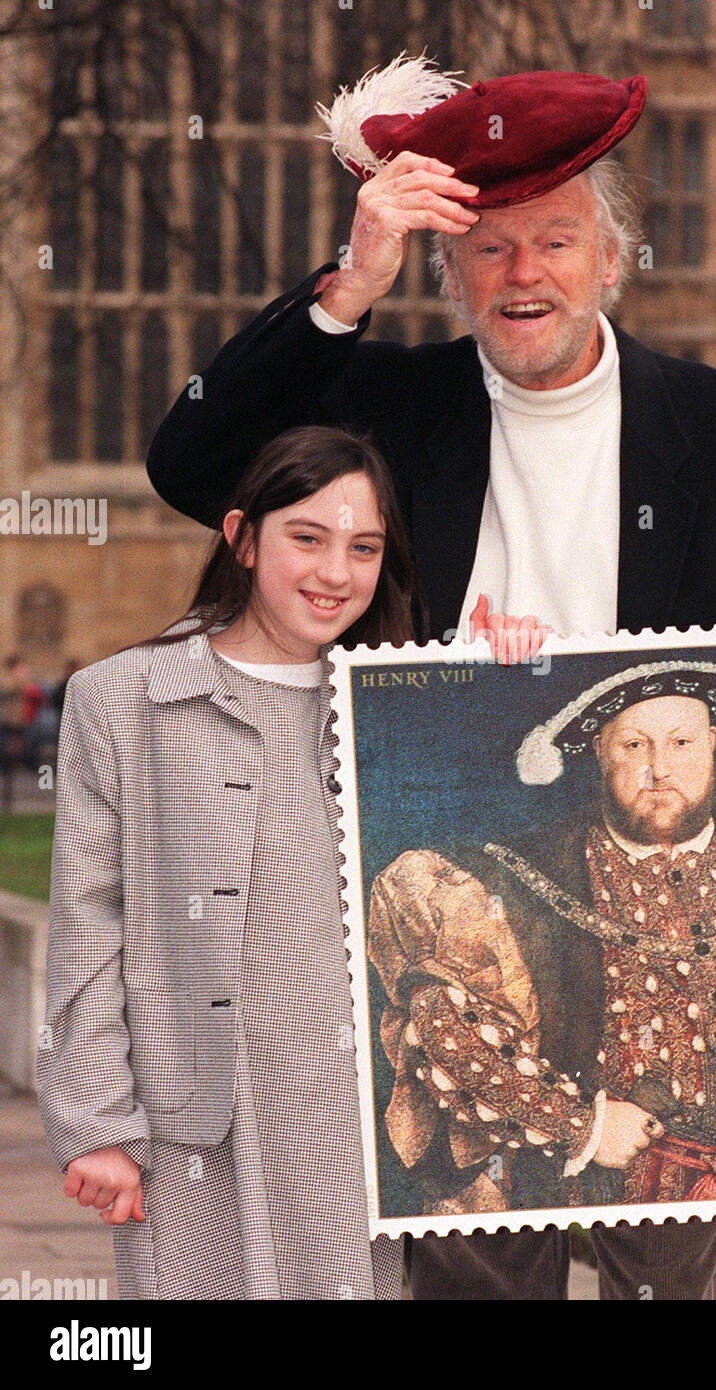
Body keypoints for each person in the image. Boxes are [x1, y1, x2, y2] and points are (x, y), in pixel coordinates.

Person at [145, 56, 716, 1298]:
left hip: (680, 939)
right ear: (450, 272)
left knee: (669, 1275)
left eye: (555, 243)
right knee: (471, 1277)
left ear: (612, 259)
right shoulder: (384, 407)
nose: (522, 276)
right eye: (488, 251)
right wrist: (347, 286)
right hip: (467, 906)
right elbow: (194, 460)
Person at [37, 425, 424, 1299]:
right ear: (244, 538)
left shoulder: (401, 704)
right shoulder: (121, 698)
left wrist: (502, 666)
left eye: (363, 548)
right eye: (308, 538)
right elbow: (88, 924)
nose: (335, 573)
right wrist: (97, 1120)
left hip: (354, 1130)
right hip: (189, 1128)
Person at [367, 662, 716, 1248]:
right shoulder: (512, 883)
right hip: (585, 1187)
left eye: (681, 742)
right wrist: (583, 1126)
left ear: (711, 743)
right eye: (634, 745)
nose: (660, 769)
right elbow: (439, 1021)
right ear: (599, 755)